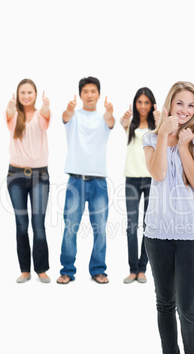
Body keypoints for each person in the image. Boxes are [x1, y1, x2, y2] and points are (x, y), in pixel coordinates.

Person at [143, 81, 194, 354]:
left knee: (188, 306)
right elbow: (157, 174)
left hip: (190, 234)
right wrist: (162, 137)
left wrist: (183, 146)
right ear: (170, 104)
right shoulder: (149, 138)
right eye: (180, 103)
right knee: (164, 303)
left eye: (191, 106)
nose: (185, 111)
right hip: (157, 233)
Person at [57, 76, 115, 285]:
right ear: (80, 94)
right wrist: (69, 109)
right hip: (75, 181)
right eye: (86, 91)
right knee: (70, 226)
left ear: (98, 94)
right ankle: (67, 270)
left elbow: (111, 122)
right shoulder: (73, 116)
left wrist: (109, 113)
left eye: (93, 91)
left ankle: (98, 270)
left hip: (99, 182)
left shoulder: (104, 117)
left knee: (100, 228)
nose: (90, 95)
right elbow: (64, 117)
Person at [6, 79, 51, 283]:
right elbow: (9, 117)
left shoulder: (41, 114)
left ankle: (41, 269)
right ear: (18, 94)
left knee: (38, 224)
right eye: (22, 92)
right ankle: (25, 270)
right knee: (21, 224)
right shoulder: (13, 114)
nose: (26, 96)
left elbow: (45, 120)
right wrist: (9, 108)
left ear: (35, 94)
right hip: (15, 176)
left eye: (29, 92)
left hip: (39, 176)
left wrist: (46, 107)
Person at [120, 87, 160, 284]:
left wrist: (161, 122)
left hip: (151, 180)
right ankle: (132, 269)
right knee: (131, 226)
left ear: (152, 104)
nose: (143, 106)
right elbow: (121, 123)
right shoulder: (130, 123)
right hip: (132, 180)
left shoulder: (157, 126)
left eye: (146, 102)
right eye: (139, 102)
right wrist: (124, 120)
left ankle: (143, 268)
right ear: (135, 103)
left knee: (147, 225)